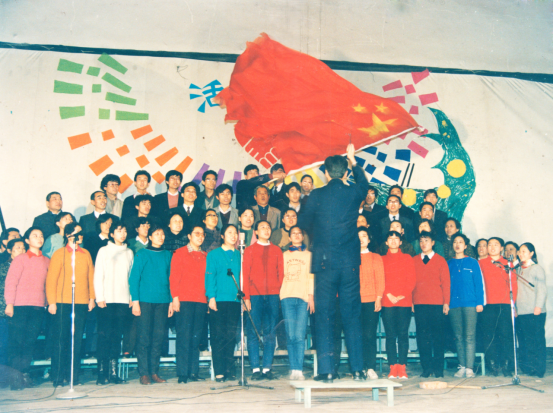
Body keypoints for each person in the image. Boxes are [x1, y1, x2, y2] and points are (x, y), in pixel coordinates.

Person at [298, 144, 369, 383]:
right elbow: (364, 185)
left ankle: (327, 370)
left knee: (325, 316)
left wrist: (319, 232)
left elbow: (303, 223)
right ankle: (357, 369)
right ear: (345, 173)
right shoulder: (353, 192)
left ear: (326, 173)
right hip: (349, 263)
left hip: (324, 263)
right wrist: (353, 160)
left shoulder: (316, 195)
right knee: (352, 315)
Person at [46, 223, 95, 387]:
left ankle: (73, 376)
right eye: (77, 233)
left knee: (77, 340)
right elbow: (51, 280)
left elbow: (91, 277)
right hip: (62, 302)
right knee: (61, 339)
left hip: (81, 302)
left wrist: (92, 298)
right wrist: (51, 302)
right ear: (68, 235)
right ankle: (58, 376)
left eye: (81, 233)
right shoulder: (59, 254)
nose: (80, 235)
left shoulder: (86, 254)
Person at [129, 224, 174, 385]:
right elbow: (134, 278)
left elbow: (171, 279)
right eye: (157, 234)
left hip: (163, 301)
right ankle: (144, 373)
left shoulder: (167, 254)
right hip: (145, 301)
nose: (160, 237)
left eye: (162, 234)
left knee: (158, 337)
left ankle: (154, 371)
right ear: (150, 237)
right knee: (144, 337)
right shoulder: (142, 253)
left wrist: (170, 301)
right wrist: (135, 302)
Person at [4, 228, 49, 390]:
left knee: (30, 341)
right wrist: (9, 303)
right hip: (19, 306)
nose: (39, 238)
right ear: (27, 241)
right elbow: (11, 282)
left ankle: (24, 374)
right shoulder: (20, 259)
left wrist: (47, 302)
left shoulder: (47, 260)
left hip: (38, 306)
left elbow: (48, 284)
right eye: (35, 236)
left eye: (41, 235)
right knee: (17, 342)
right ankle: (15, 378)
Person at [243, 221, 284, 381]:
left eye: (268, 227)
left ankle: (267, 368)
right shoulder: (250, 250)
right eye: (262, 228)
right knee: (253, 332)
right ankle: (255, 368)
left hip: (272, 296)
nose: (266, 230)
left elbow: (281, 274)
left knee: (270, 332)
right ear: (256, 232)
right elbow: (245, 275)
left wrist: (277, 292)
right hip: (254, 296)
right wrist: (246, 297)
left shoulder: (276, 250)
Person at [94, 220, 133, 385]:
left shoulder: (129, 252)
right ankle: (101, 374)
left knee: (117, 337)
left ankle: (113, 373)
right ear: (111, 234)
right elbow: (98, 275)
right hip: (106, 300)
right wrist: (99, 297)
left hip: (123, 300)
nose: (122, 234)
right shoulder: (103, 251)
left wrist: (131, 297)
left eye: (124, 231)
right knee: (104, 336)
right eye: (119, 231)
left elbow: (130, 277)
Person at [170, 225, 207, 384]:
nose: (200, 237)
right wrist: (175, 297)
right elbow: (174, 277)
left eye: (202, 234)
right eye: (196, 234)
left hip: (201, 300)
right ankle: (182, 373)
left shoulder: (205, 255)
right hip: (184, 300)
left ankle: (193, 372)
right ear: (189, 236)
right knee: (184, 336)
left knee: (196, 337)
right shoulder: (179, 253)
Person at [205, 224, 241, 382]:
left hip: (235, 300)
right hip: (218, 300)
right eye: (229, 232)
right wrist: (211, 297)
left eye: (235, 233)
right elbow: (210, 277)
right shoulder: (213, 254)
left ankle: (229, 369)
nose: (233, 236)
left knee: (231, 336)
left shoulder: (240, 255)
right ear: (222, 236)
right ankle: (219, 371)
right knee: (218, 336)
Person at [412, 231, 451, 378]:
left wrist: (446, 302)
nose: (423, 244)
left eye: (426, 240)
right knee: (423, 337)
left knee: (438, 337)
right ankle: (426, 368)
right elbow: (410, 283)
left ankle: (438, 369)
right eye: (421, 241)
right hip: (419, 303)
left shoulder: (441, 260)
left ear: (433, 242)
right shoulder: (414, 260)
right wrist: (411, 301)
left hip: (437, 303)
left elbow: (446, 283)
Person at [448, 233, 484, 379]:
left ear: (465, 246)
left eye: (460, 242)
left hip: (470, 304)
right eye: (455, 242)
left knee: (469, 336)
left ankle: (469, 368)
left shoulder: (472, 262)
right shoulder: (449, 263)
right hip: (453, 304)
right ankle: (462, 366)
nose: (457, 244)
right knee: (458, 336)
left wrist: (480, 302)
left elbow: (478, 284)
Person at [479, 237, 517, 377]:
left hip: (504, 304)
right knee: (489, 335)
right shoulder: (480, 263)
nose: (492, 247)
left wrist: (513, 304)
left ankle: (507, 365)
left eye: (496, 245)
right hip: (488, 304)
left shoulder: (508, 264)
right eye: (490, 245)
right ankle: (493, 364)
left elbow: (514, 285)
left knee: (506, 335)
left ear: (501, 248)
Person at [381, 231, 416, 380]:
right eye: (391, 238)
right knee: (390, 335)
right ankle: (392, 366)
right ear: (386, 242)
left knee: (402, 334)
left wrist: (402, 294)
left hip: (404, 301)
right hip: (387, 301)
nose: (394, 241)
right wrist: (388, 294)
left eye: (397, 238)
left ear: (401, 242)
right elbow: (380, 279)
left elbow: (412, 279)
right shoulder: (382, 259)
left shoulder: (407, 258)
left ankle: (402, 366)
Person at [280, 226, 314, 381]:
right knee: (291, 335)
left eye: (299, 233)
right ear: (289, 238)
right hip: (287, 296)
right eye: (293, 233)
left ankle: (299, 369)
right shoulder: (284, 255)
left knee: (300, 335)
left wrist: (311, 296)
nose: (296, 235)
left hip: (303, 298)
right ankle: (293, 368)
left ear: (303, 236)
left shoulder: (309, 255)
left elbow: (311, 277)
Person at [515, 243, 547, 378]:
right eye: (519, 251)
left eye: (524, 251)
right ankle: (528, 368)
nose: (521, 254)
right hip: (521, 311)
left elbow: (542, 289)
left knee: (536, 340)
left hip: (535, 311)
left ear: (531, 253)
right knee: (525, 341)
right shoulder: (517, 269)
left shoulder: (536, 268)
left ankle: (539, 369)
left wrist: (538, 306)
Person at [357, 227, 384, 380]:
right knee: (357, 335)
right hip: (354, 302)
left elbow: (380, 279)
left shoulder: (375, 257)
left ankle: (371, 367)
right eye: (358, 236)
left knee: (369, 335)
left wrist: (378, 297)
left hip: (371, 301)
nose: (361, 239)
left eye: (364, 236)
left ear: (369, 239)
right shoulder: (351, 257)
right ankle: (359, 368)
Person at [0, 239, 26, 376]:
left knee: (18, 344)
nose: (22, 250)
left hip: (22, 310)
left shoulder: (28, 267)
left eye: (23, 248)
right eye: (18, 247)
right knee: (4, 344)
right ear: (9, 250)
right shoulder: (3, 268)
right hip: (4, 312)